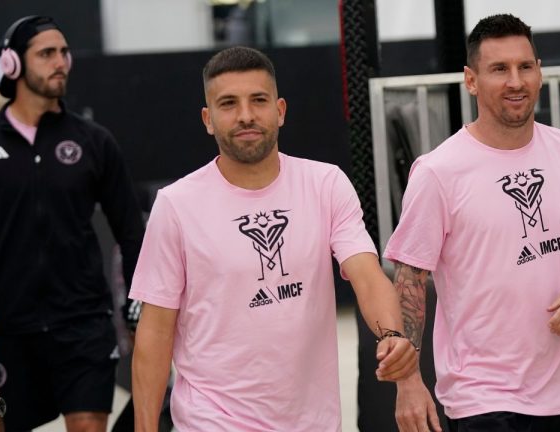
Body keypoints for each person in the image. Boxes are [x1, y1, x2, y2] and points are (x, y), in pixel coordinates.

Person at [129, 46, 418, 431]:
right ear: (208, 119)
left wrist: (393, 336)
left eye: (258, 100)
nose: (245, 115)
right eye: (228, 103)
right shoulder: (176, 205)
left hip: (313, 422)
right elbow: (155, 331)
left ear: (280, 110)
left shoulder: (325, 184)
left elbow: (367, 275)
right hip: (212, 421)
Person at [385, 14, 560, 432]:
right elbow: (409, 280)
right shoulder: (438, 172)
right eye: (499, 69)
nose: (516, 81)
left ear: (540, 71)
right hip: (482, 400)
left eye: (525, 66)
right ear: (471, 80)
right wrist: (408, 382)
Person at [0, 15, 146, 431]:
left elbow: (131, 232)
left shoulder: (94, 141)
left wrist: (138, 304)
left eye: (63, 52)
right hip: (10, 330)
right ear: (12, 64)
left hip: (84, 325)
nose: (60, 62)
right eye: (46, 53)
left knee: (88, 425)